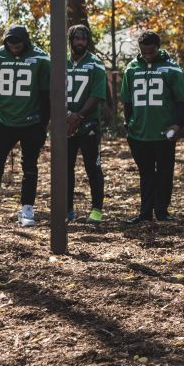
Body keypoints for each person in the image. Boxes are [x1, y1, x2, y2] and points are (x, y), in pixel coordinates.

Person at [0, 25, 51, 229]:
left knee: (30, 166)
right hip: (3, 119)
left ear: (26, 42)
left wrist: (43, 123)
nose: (14, 48)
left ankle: (27, 209)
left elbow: (45, 93)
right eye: (10, 44)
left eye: (18, 45)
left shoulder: (41, 59)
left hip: (31, 121)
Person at [121, 31, 184, 224]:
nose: (147, 55)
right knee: (146, 173)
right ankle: (145, 212)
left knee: (165, 173)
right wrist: (128, 124)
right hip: (139, 133)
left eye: (151, 51)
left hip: (164, 132)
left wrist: (177, 124)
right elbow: (126, 101)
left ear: (158, 47)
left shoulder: (171, 68)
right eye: (144, 52)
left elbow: (181, 101)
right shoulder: (131, 69)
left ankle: (162, 211)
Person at [64, 24, 107, 223]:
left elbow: (98, 94)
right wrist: (66, 115)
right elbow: (52, 92)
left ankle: (96, 210)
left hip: (88, 124)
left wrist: (78, 116)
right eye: (76, 38)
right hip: (65, 124)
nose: (80, 42)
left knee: (93, 167)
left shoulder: (95, 63)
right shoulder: (60, 62)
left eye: (83, 38)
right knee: (65, 168)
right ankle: (67, 209)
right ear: (70, 40)